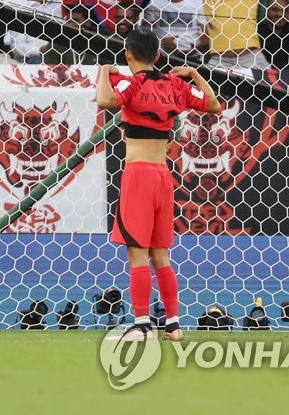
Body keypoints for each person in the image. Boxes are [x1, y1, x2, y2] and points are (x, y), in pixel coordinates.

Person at [95, 28, 222, 341]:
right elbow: (215, 105)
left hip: (137, 175)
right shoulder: (176, 84)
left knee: (137, 254)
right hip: (163, 176)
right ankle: (174, 325)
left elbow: (103, 100)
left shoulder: (130, 83)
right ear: (158, 56)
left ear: (128, 55)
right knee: (161, 255)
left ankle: (141, 325)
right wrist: (193, 72)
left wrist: (103, 71)